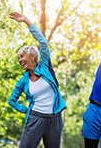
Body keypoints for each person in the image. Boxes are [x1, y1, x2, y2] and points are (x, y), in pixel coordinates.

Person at [8, 12, 66, 148]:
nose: (20, 60)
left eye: (22, 56)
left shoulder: (45, 67)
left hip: (55, 119)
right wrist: (26, 110)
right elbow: (12, 100)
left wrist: (27, 21)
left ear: (33, 56)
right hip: (35, 119)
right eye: (19, 58)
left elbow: (43, 42)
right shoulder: (23, 81)